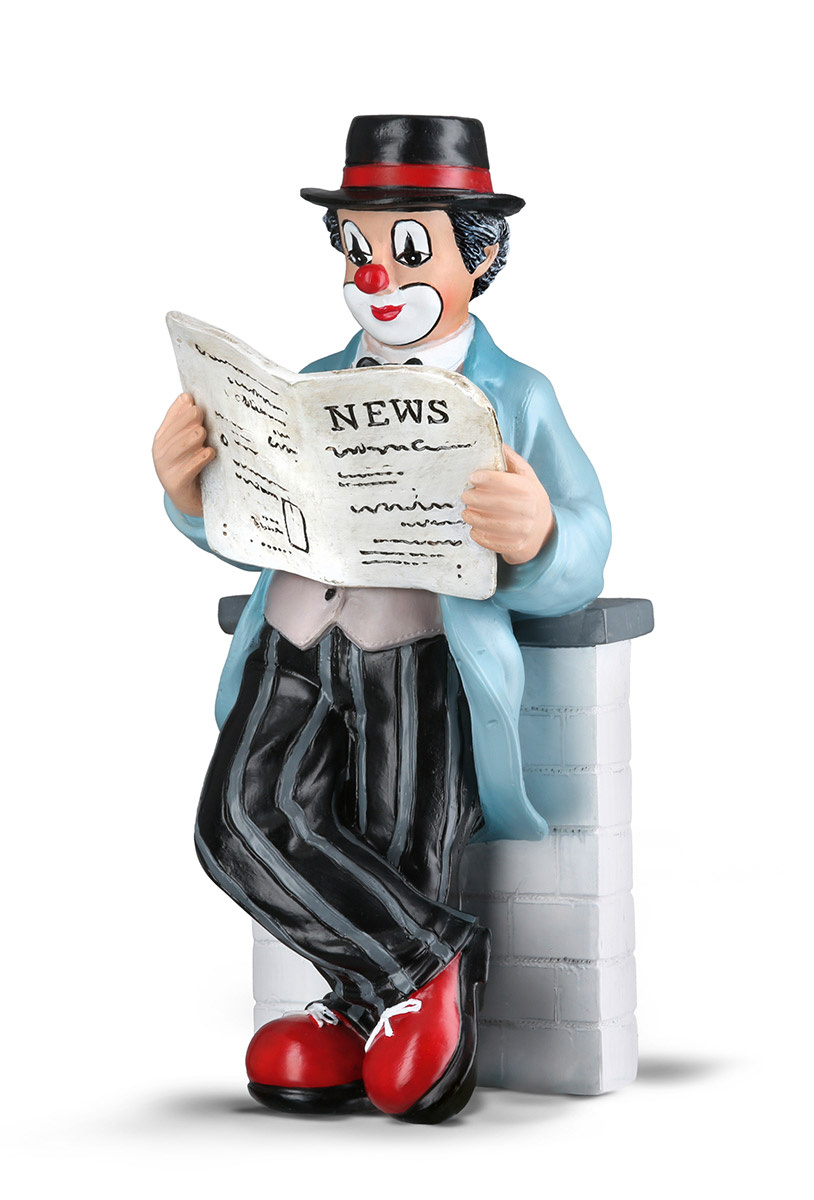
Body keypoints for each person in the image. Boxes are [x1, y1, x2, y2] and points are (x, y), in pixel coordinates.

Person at [153, 115, 611, 1124]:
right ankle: (424, 964)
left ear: (476, 258)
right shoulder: (309, 385)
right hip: (292, 640)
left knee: (401, 835)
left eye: (406, 249)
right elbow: (259, 523)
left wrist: (539, 534)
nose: (374, 275)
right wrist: (193, 492)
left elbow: (586, 539)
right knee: (239, 819)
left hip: (418, 652)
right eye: (356, 247)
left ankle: (363, 1010)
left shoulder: (517, 394)